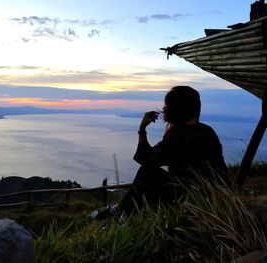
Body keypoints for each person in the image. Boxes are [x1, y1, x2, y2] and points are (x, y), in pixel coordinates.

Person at [91, 86, 230, 220]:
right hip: (216, 198)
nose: (164, 108)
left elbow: (144, 158)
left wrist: (142, 128)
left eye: (167, 105)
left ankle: (121, 210)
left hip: (193, 200)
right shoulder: (208, 131)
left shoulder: (178, 136)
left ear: (178, 108)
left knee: (147, 172)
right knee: (152, 173)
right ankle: (121, 210)